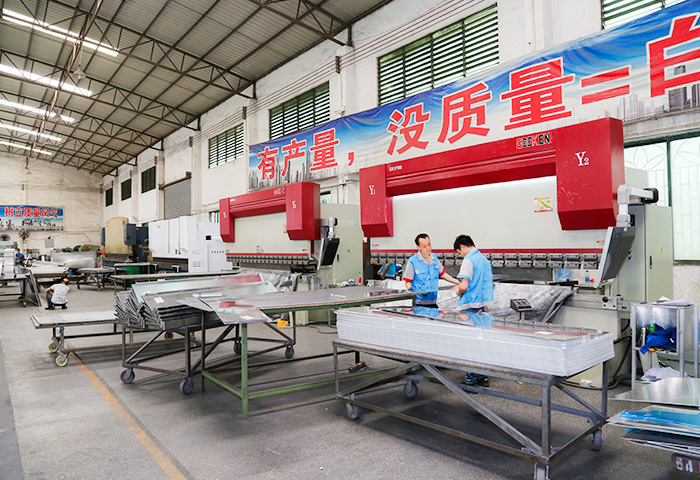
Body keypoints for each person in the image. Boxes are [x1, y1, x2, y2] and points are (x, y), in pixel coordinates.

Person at [453, 234, 494, 387]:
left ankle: (470, 380)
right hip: (483, 306)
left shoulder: (469, 260)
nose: (461, 255)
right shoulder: (485, 260)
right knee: (481, 341)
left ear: (462, 247)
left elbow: (464, 285)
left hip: (469, 306)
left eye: (459, 252)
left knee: (469, 343)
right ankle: (482, 377)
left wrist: (458, 292)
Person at [403, 233, 458, 309]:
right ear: (418, 247)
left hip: (433, 301)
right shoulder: (413, 261)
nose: (428, 248)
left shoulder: (434, 257)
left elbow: (442, 274)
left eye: (429, 244)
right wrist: (409, 289)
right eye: (424, 246)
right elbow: (408, 281)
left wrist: (458, 282)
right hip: (419, 303)